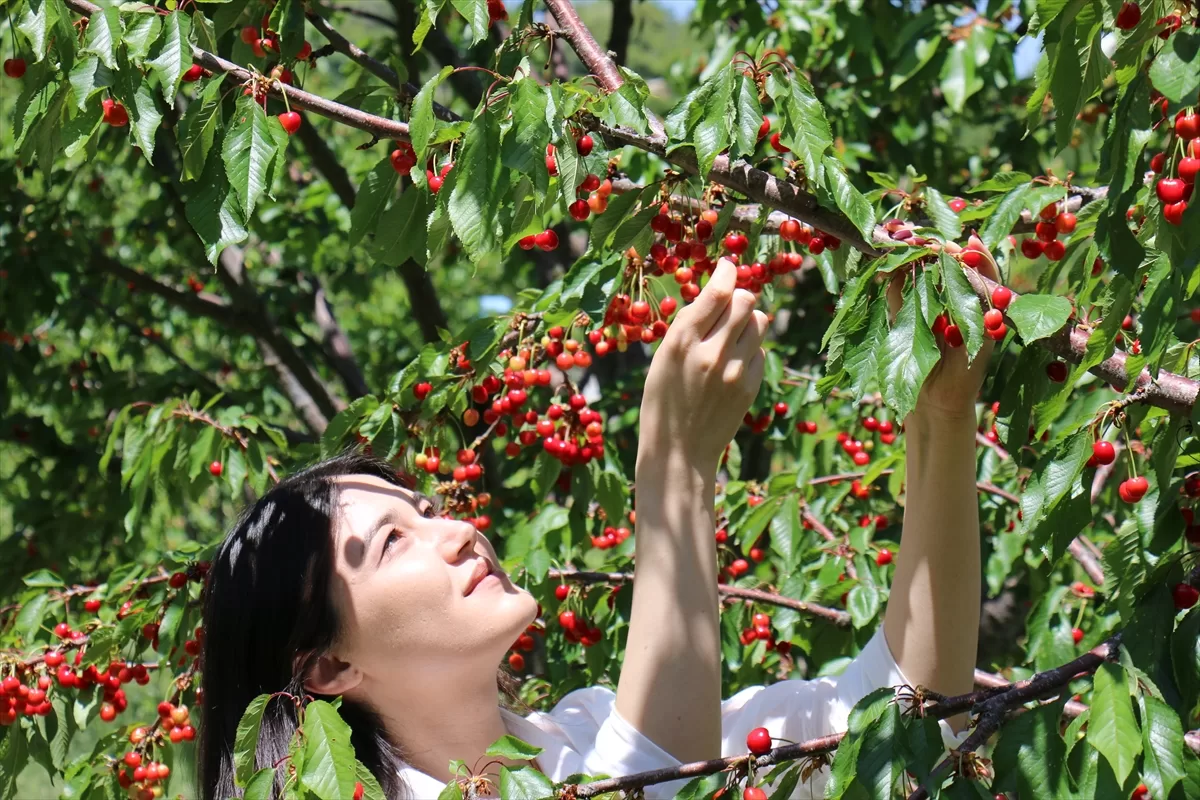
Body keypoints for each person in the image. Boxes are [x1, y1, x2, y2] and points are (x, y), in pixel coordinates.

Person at [198, 258, 989, 799]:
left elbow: (904, 721)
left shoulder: (579, 735)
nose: (457, 531)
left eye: (429, 510)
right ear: (330, 665)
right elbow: (660, 780)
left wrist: (941, 419)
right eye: (392, 542)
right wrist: (674, 469)